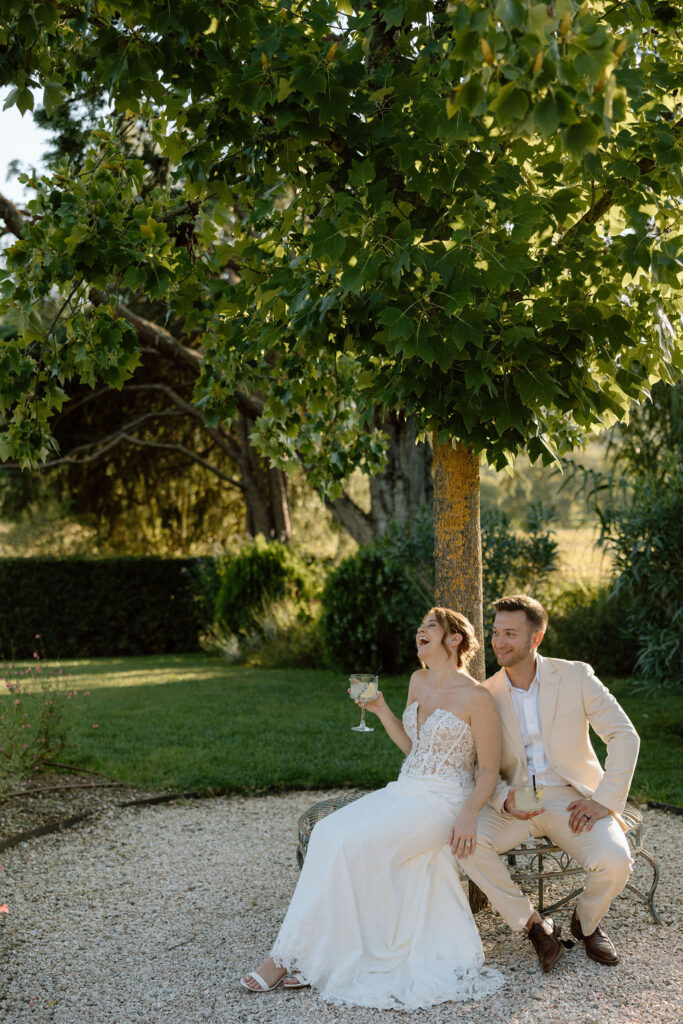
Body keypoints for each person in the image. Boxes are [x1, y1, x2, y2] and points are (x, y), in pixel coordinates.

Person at [240, 607, 505, 1009]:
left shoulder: (477, 697)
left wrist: (468, 814)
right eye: (420, 625)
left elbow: (488, 770)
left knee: (356, 845)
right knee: (328, 833)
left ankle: (282, 958)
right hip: (405, 789)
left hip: (444, 801)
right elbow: (415, 750)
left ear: (454, 640)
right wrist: (381, 709)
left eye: (432, 626)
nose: (421, 630)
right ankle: (312, 954)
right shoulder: (418, 680)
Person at [457, 594, 639, 973]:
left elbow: (625, 736)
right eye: (495, 632)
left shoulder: (576, 675)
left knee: (616, 861)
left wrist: (604, 800)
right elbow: (477, 765)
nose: (499, 642)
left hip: (571, 796)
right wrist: (505, 801)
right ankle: (534, 924)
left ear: (535, 638)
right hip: (515, 797)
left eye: (510, 633)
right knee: (467, 846)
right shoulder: (485, 693)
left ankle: (585, 924)